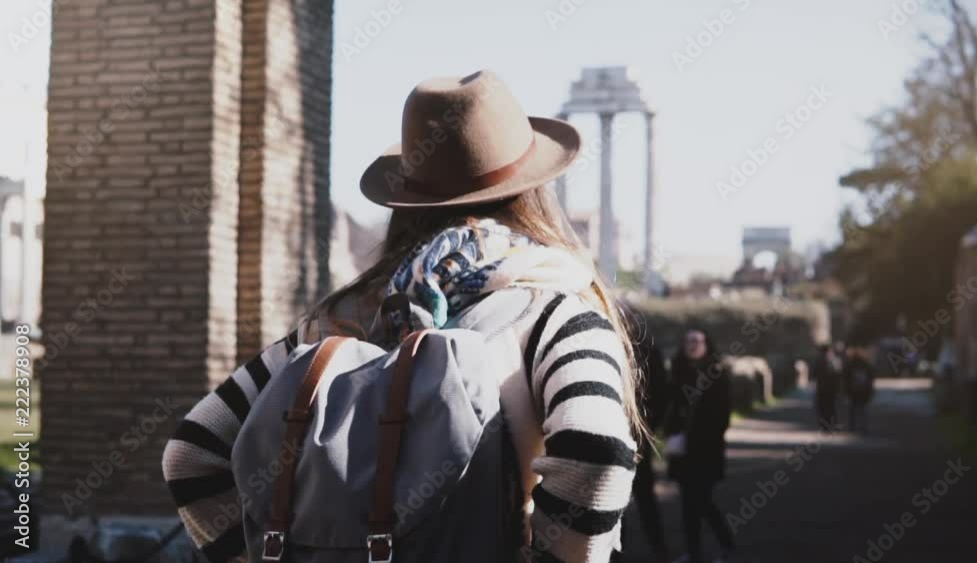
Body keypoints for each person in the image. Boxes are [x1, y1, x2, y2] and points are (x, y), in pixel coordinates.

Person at [162, 70, 644, 563]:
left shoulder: (335, 320)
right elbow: (598, 450)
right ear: (531, 191)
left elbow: (191, 454)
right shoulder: (556, 309)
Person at [664, 329, 734, 563]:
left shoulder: (717, 373)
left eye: (697, 341)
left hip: (707, 450)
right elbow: (672, 408)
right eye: (688, 341)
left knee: (703, 501)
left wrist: (706, 437)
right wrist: (671, 433)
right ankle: (693, 553)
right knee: (687, 504)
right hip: (683, 451)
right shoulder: (678, 370)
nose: (692, 345)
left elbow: (723, 414)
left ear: (706, 344)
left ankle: (726, 545)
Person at [625, 308, 671, 558]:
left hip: (639, 435)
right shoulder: (614, 347)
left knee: (644, 497)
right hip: (623, 434)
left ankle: (659, 550)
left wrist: (650, 427)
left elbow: (662, 392)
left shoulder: (649, 351)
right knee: (618, 498)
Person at [844, 346, 875, 433]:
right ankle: (862, 426)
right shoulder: (866, 365)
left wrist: (846, 390)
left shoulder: (851, 365)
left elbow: (846, 378)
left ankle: (853, 426)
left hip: (854, 390)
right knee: (862, 409)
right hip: (863, 390)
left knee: (853, 409)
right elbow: (871, 378)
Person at [813, 344, 843, 428]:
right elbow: (839, 375)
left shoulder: (819, 361)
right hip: (832, 389)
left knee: (823, 407)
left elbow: (814, 374)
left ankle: (824, 425)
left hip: (822, 388)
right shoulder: (835, 361)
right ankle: (831, 424)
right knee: (831, 407)